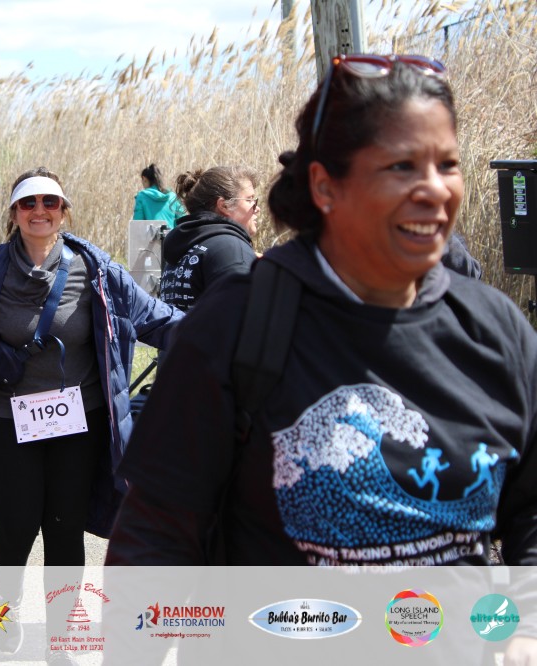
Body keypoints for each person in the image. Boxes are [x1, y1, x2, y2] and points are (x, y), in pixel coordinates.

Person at [107, 52, 537, 664]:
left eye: (447, 164)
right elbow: (156, 537)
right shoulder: (238, 325)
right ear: (324, 185)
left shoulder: (496, 332)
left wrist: (526, 626)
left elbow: (528, 507)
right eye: (400, 166)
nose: (434, 190)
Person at [0, 167, 182, 658]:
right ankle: (8, 606)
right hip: (9, 420)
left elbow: (154, 317)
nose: (39, 211)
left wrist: (228, 327)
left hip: (79, 421)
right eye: (28, 203)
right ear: (14, 213)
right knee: (15, 523)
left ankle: (61, 638)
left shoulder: (95, 267)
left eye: (50, 202)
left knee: (65, 527)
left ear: (64, 212)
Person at [158, 166, 261, 310]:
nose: (257, 208)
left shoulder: (181, 249)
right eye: (250, 200)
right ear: (224, 206)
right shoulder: (231, 249)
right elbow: (242, 317)